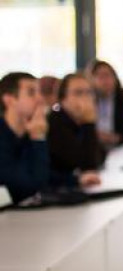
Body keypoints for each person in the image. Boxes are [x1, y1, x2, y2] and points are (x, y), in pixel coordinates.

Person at [0, 72, 100, 204]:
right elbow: (30, 186)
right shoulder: (13, 135)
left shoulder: (26, 131)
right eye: (31, 93)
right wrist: (38, 139)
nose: (40, 99)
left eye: (39, 93)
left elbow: (45, 174)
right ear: (9, 100)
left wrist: (76, 180)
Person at [48, 73, 105, 180]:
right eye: (78, 93)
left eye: (89, 92)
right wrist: (89, 124)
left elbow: (100, 156)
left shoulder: (79, 123)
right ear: (62, 98)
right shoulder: (55, 122)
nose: (85, 98)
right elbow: (87, 166)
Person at [88, 60, 123, 149]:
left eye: (107, 75)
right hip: (94, 149)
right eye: (100, 76)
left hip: (122, 149)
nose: (105, 81)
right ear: (91, 79)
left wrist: (114, 138)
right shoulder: (87, 100)